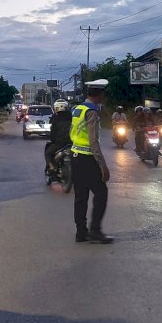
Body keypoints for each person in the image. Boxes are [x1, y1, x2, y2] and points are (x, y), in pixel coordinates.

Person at [70, 79, 113, 244]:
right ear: (100, 94)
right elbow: (93, 141)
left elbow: (72, 132)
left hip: (75, 156)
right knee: (101, 193)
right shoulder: (92, 112)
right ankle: (95, 231)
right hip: (87, 159)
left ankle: (81, 233)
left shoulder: (77, 109)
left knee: (80, 197)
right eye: (103, 94)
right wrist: (103, 166)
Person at [45, 99, 72, 173]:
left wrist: (52, 139)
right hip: (71, 142)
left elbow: (53, 133)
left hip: (60, 143)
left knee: (48, 153)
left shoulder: (55, 118)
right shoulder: (71, 117)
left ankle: (52, 167)